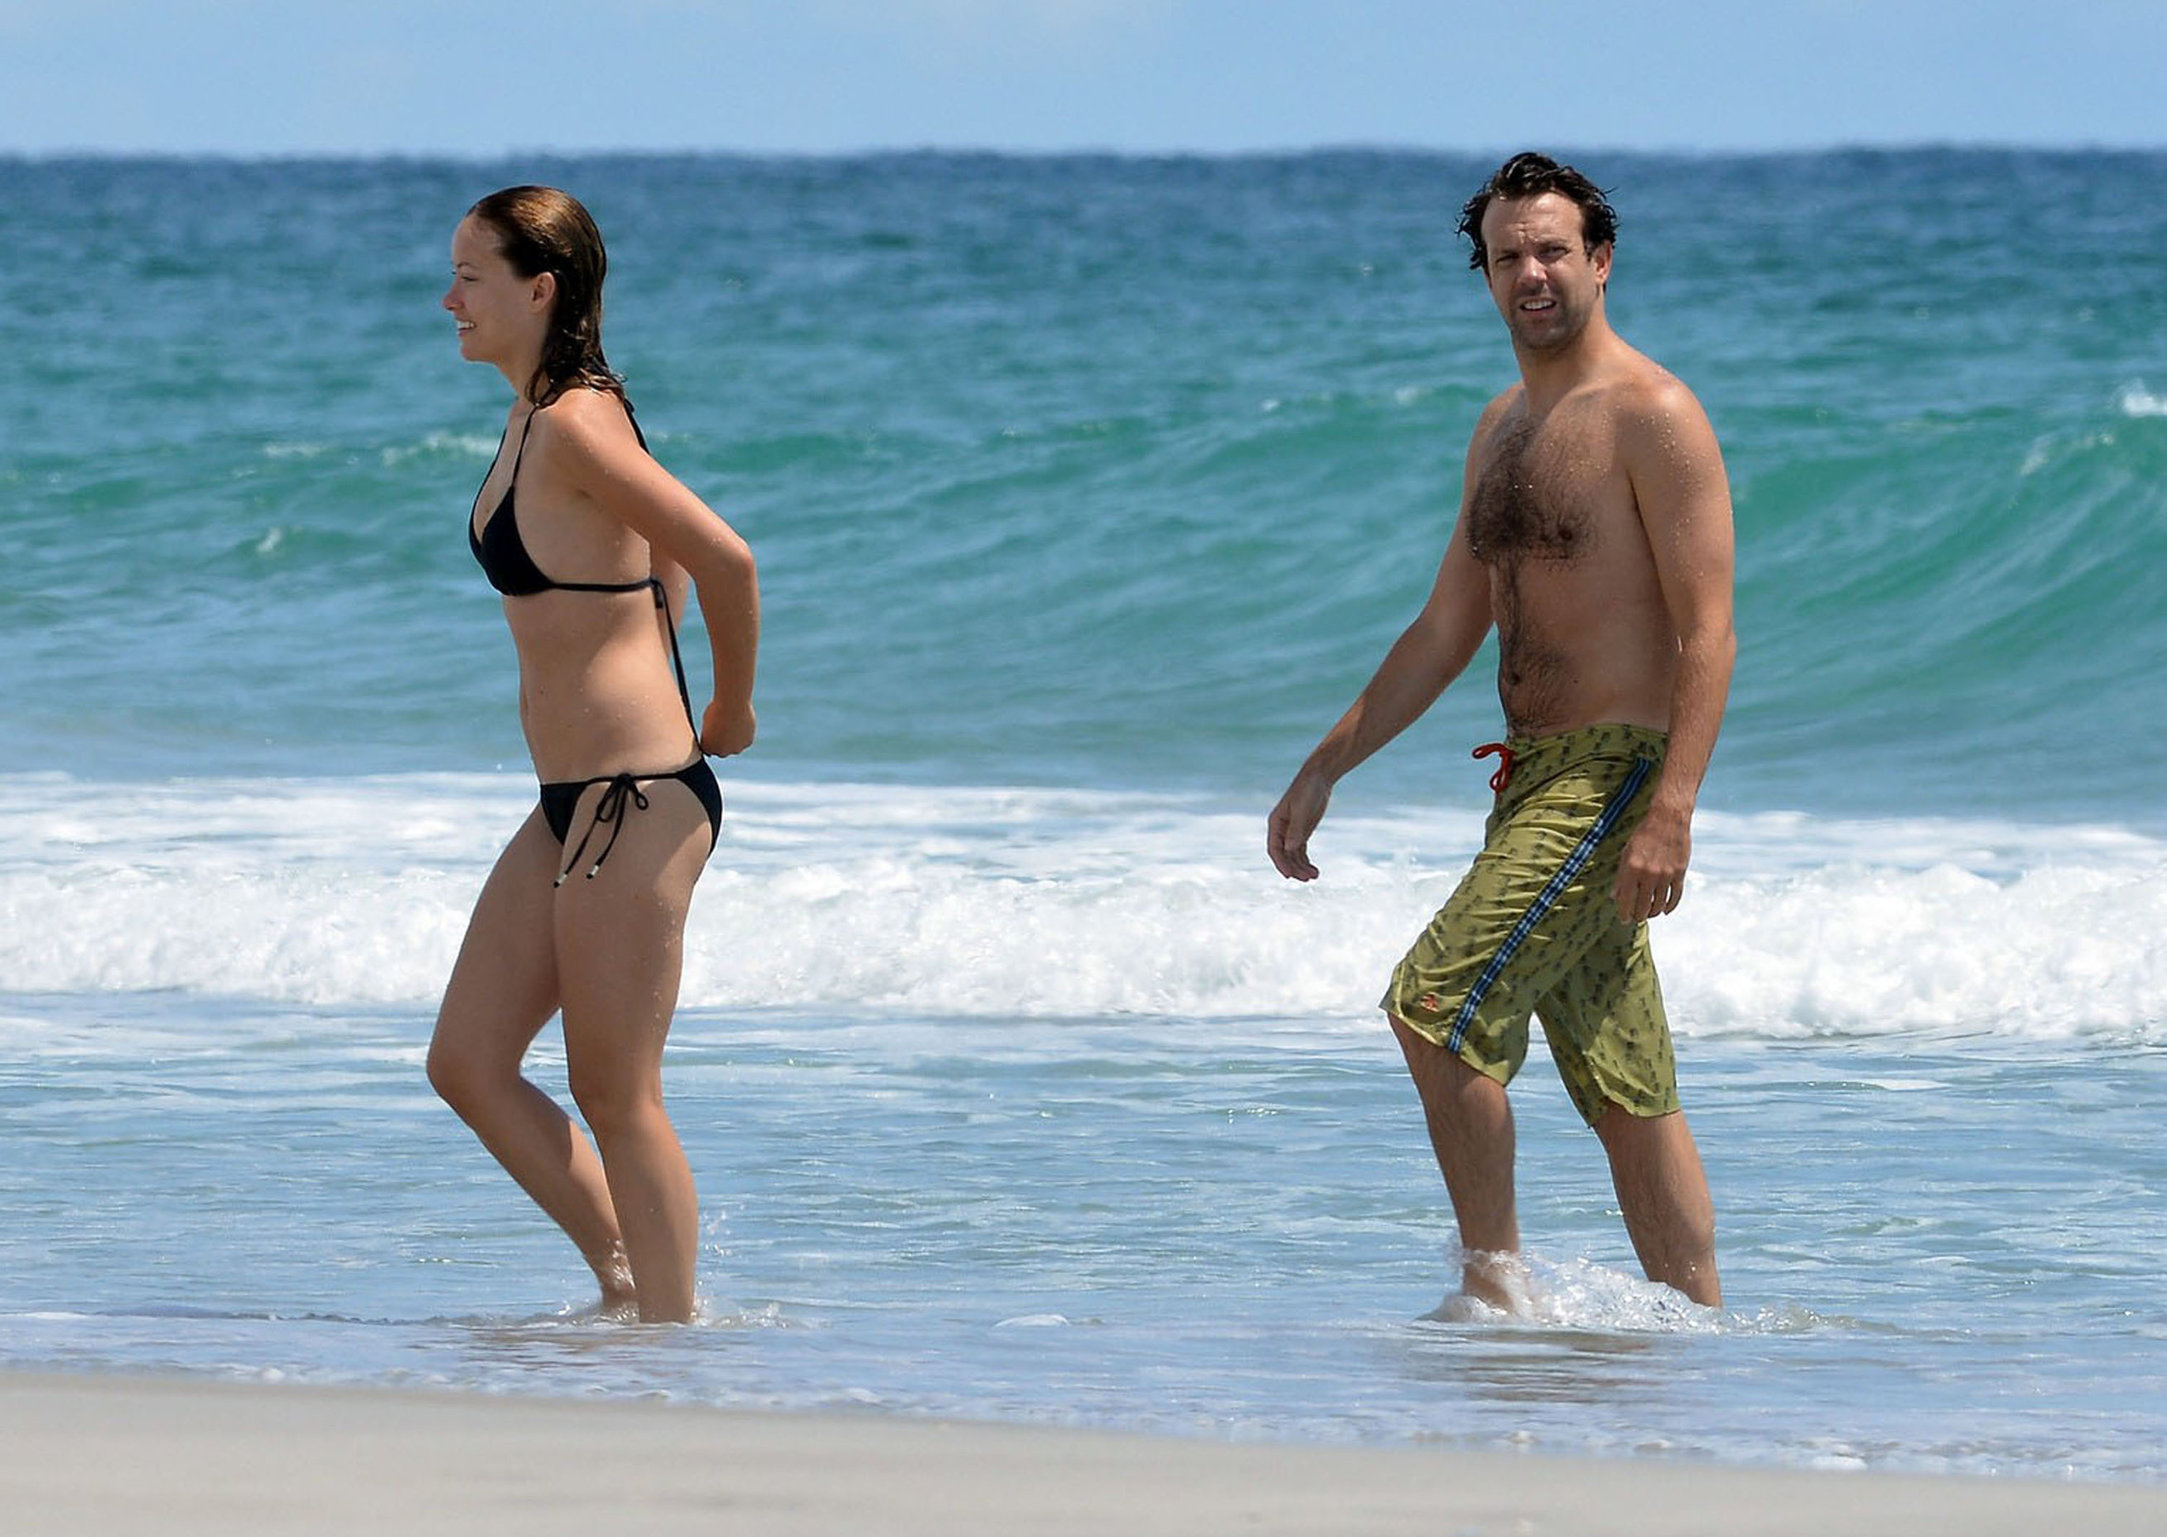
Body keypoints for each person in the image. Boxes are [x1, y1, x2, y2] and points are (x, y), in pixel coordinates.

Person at [1267, 153, 1734, 1312]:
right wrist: (1326, 764)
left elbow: (1710, 633)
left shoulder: (1653, 415)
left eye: (1552, 251)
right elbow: (1444, 627)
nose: (1531, 273)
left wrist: (1670, 808)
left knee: (1433, 1003)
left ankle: (1494, 1290)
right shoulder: (1501, 430)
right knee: (1625, 1084)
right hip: (1533, 787)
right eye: (1507, 256)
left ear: (1601, 260)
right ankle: (1706, 1338)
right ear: (1483, 275)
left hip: (1612, 779)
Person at [426, 186, 759, 1323]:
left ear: (540, 287)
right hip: (571, 798)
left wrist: (728, 710)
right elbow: (655, 559)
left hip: (640, 796)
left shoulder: (575, 419)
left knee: (615, 1091)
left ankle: (674, 1345)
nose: (450, 297)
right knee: (467, 1061)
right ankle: (630, 1283)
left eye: (471, 276)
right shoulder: (537, 411)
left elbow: (725, 559)